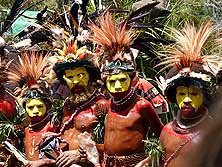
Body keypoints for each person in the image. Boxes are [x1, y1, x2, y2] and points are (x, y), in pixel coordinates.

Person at [89, 12, 164, 167]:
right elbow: (109, 142)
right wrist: (90, 148)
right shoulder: (106, 106)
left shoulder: (141, 106)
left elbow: (163, 138)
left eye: (122, 80)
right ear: (105, 81)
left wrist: (148, 160)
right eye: (112, 81)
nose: (117, 86)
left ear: (131, 79)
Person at [158, 22, 217, 167]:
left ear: (205, 96)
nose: (187, 100)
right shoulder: (167, 130)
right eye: (182, 94)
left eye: (194, 94)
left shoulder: (214, 134)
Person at [50, 40, 107, 167]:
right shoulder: (66, 105)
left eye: (80, 75)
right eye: (70, 77)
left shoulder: (101, 104)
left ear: (90, 76)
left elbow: (114, 145)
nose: (75, 81)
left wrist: (80, 154)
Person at [7, 51, 57, 167]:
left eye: (39, 106)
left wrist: (44, 162)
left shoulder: (53, 127)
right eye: (30, 107)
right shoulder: (25, 130)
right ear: (25, 108)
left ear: (48, 106)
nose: (35, 111)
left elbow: (62, 159)